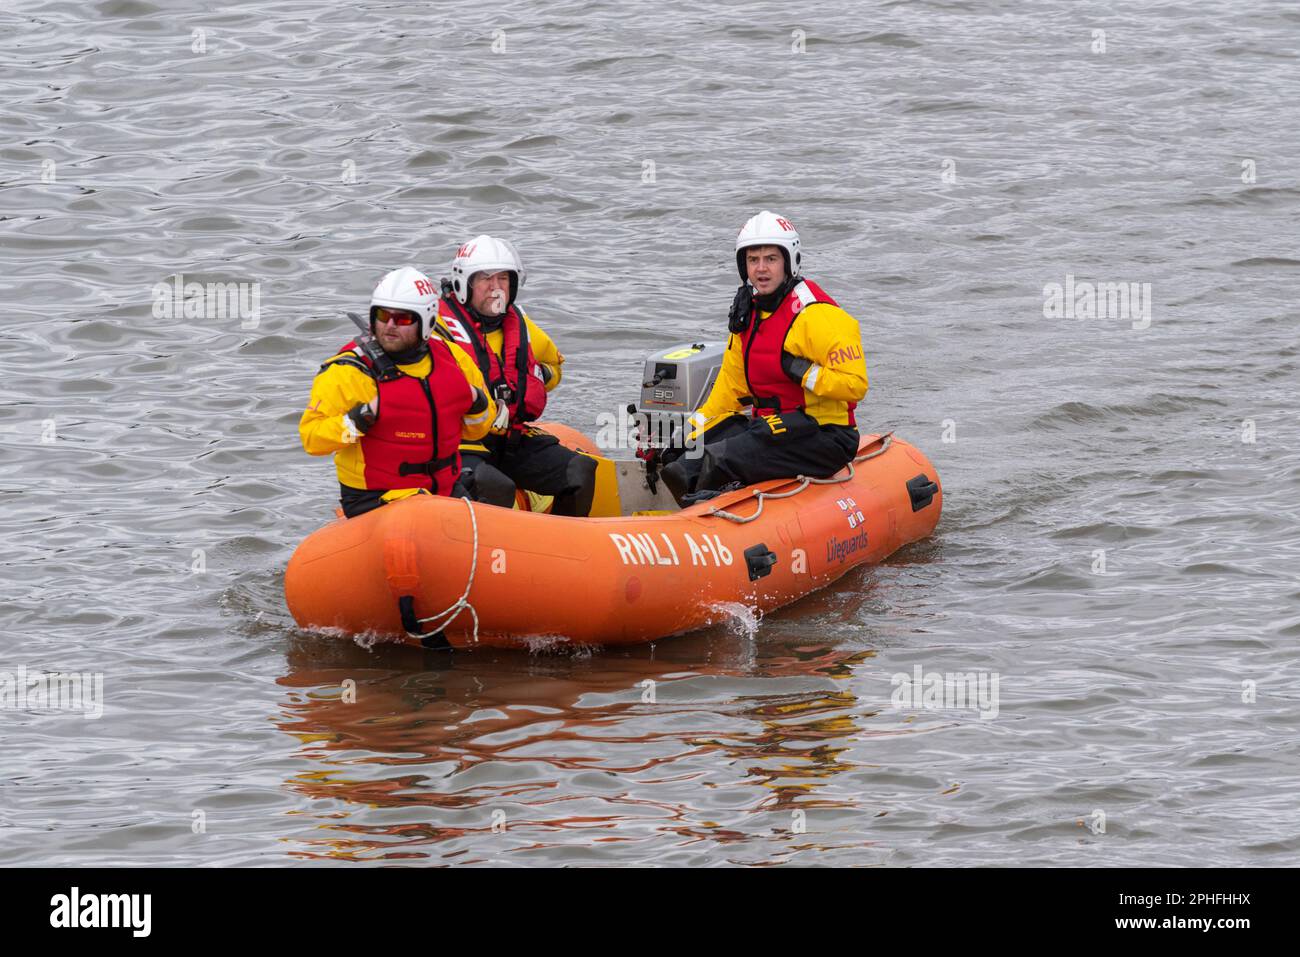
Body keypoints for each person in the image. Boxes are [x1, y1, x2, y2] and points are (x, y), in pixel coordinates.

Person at [660, 211, 868, 504]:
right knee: (684, 457)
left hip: (823, 435)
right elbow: (730, 388)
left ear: (789, 261)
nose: (761, 269)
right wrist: (689, 432)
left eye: (771, 259)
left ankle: (713, 520)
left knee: (718, 460)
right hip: (770, 426)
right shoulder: (748, 316)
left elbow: (855, 384)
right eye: (753, 260)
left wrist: (803, 372)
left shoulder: (818, 315)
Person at [300, 266, 496, 518]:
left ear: (427, 322)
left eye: (402, 319)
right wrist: (356, 421)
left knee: (495, 489)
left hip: (443, 490)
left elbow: (479, 428)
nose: (389, 325)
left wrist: (477, 402)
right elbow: (312, 440)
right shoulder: (348, 371)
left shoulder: (453, 359)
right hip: (375, 498)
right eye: (382, 316)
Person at [435, 235, 598, 516]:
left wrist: (533, 377)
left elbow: (554, 367)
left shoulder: (520, 325)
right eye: (486, 278)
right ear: (465, 283)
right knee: (495, 486)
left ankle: (562, 549)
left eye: (503, 279)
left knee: (579, 471)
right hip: (460, 444)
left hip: (510, 440)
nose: (496, 288)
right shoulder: (437, 327)